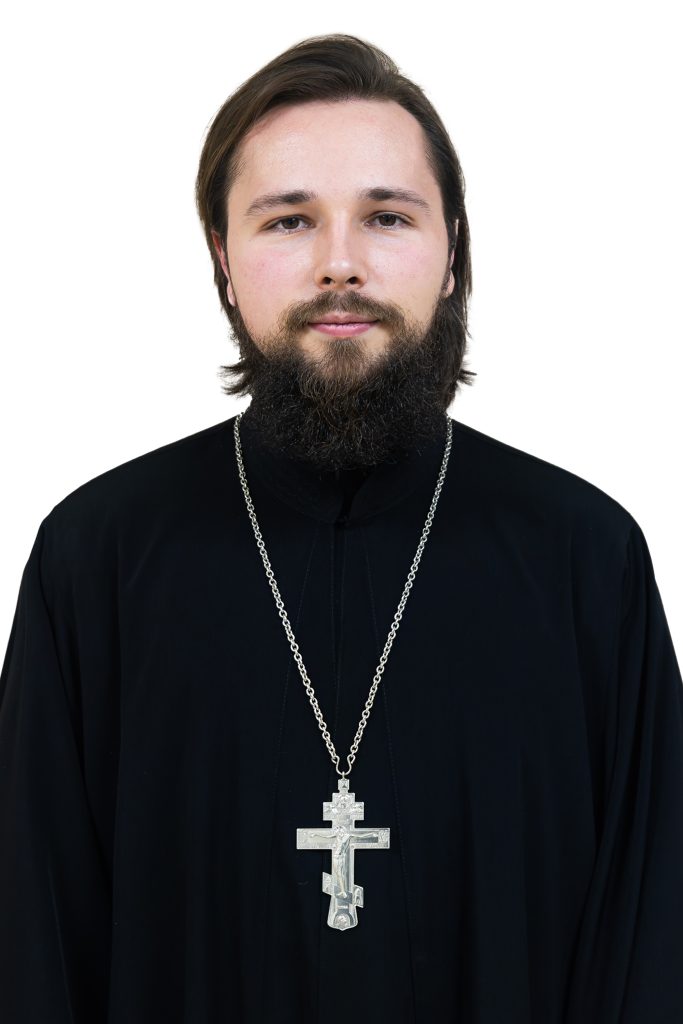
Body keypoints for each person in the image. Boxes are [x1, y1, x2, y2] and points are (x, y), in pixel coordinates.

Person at [1, 32, 681, 1024]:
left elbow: (652, 948)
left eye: (385, 217)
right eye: (288, 220)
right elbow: (32, 949)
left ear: (450, 253)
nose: (339, 264)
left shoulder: (584, 559)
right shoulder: (98, 559)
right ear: (223, 260)